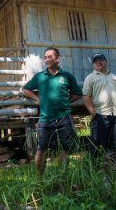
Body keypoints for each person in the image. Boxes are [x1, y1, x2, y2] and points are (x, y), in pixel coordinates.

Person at [23, 47, 82, 179]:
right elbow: (26, 89)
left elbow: (78, 93)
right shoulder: (40, 77)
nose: (47, 59)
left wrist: (66, 101)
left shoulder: (67, 76)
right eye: (45, 57)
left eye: (50, 56)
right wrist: (38, 99)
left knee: (66, 148)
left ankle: (62, 178)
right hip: (45, 118)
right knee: (41, 148)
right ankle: (39, 180)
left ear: (57, 58)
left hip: (64, 117)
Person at [82, 53, 116, 171]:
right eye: (96, 60)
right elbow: (86, 96)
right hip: (100, 115)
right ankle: (94, 170)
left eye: (101, 59)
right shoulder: (90, 78)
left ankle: (114, 170)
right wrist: (92, 112)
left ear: (105, 62)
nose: (99, 62)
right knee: (96, 143)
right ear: (93, 64)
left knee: (115, 143)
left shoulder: (114, 77)